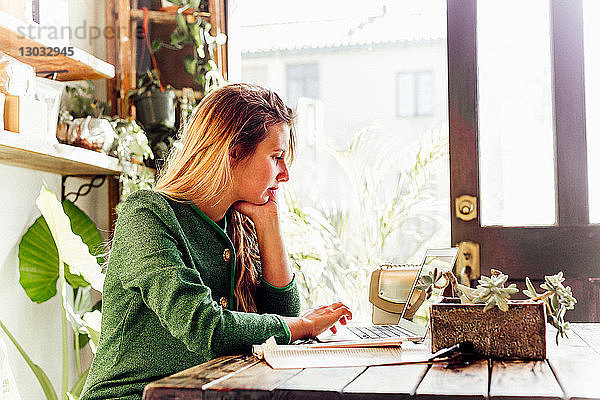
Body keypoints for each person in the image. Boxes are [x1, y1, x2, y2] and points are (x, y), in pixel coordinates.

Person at [81, 83, 352, 400]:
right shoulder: (147, 215)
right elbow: (205, 328)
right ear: (233, 152)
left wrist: (269, 223)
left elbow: (282, 316)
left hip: (207, 392)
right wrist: (303, 325)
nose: (285, 174)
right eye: (276, 157)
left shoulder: (236, 221)